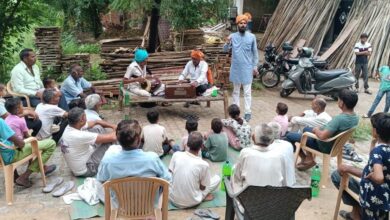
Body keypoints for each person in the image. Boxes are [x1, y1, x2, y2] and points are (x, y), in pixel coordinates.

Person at [331, 112, 389, 220]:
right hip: (385, 197)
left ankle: (357, 215)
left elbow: (379, 177)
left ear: (375, 131)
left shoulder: (378, 151)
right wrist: (373, 144)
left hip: (373, 197)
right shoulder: (383, 150)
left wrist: (373, 176)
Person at [286, 89, 359, 170]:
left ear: (342, 103)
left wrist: (316, 130)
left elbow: (322, 136)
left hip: (324, 146)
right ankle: (309, 158)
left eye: (338, 100)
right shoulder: (355, 117)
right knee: (306, 129)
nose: (338, 101)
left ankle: (305, 158)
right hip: (336, 145)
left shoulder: (339, 119)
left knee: (289, 136)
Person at [97, 119, 171, 187]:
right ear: (139, 140)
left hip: (118, 201)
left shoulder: (108, 160)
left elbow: (101, 180)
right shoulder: (152, 159)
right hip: (149, 201)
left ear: (118, 139)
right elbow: (167, 179)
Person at [169, 131, 221, 208]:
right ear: (201, 147)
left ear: (187, 144)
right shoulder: (203, 164)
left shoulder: (176, 155)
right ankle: (201, 197)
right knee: (217, 178)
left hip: (173, 199)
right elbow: (203, 188)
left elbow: (170, 173)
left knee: (167, 180)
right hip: (192, 201)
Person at [60, 107, 117, 177]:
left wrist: (112, 126)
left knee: (97, 128)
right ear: (81, 120)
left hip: (81, 159)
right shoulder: (79, 135)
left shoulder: (71, 126)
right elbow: (113, 137)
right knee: (110, 142)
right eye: (85, 116)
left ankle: (104, 140)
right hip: (88, 169)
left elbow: (96, 121)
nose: (87, 118)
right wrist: (116, 129)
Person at [232, 124, 288, 194]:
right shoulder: (280, 155)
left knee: (234, 169)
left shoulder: (246, 153)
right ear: (272, 141)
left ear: (253, 138)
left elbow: (237, 178)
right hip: (273, 201)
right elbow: (283, 182)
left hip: (247, 201)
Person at [0, 118, 56, 187]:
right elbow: (21, 144)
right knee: (51, 143)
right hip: (12, 155)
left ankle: (42, 166)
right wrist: (29, 140)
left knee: (31, 145)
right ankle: (24, 177)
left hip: (3, 156)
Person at [223, 15, 259, 121]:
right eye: (241, 23)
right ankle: (236, 111)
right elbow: (225, 50)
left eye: (244, 23)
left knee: (247, 92)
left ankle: (248, 112)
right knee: (236, 91)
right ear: (237, 24)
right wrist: (227, 42)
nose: (243, 25)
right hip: (236, 68)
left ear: (246, 25)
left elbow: (255, 53)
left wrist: (255, 66)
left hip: (248, 68)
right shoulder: (232, 36)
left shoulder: (252, 37)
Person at [267, 121, 296, 186]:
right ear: (280, 134)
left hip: (276, 187)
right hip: (290, 183)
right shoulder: (288, 145)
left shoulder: (268, 149)